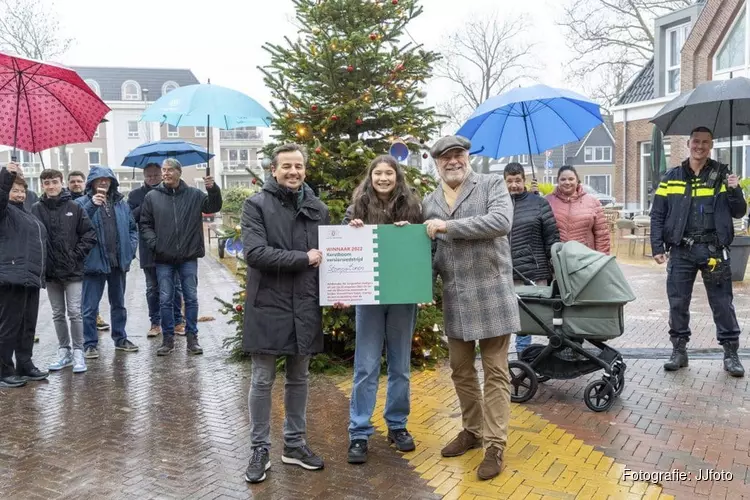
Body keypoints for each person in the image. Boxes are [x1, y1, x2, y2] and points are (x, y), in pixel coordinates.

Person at [421, 136, 519, 481]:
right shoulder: (428, 200)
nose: (453, 161)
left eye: (458, 155)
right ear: (436, 163)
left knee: (495, 373)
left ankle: (495, 445)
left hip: (492, 295)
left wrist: (448, 226)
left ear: (467, 157)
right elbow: (430, 253)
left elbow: (499, 223)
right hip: (456, 298)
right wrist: (419, 281)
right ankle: (472, 430)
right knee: (461, 371)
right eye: (445, 157)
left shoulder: (491, 184)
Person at [240, 143, 328, 483]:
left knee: (299, 378)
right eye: (286, 166)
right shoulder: (256, 205)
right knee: (262, 380)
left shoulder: (318, 209)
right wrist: (302, 259)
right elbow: (255, 253)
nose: (293, 172)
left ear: (305, 170)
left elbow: (330, 255)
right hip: (268, 304)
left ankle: (294, 444)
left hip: (304, 304)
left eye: (299, 166)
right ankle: (259, 449)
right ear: (273, 170)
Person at [339, 155, 423, 465]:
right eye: (378, 173)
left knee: (400, 366)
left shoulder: (412, 206)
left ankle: (397, 426)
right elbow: (344, 245)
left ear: (397, 176)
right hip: (369, 296)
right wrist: (352, 228)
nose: (384, 178)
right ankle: (359, 432)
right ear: (371, 177)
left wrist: (410, 230)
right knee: (366, 365)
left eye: (389, 173)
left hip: (402, 296)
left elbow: (423, 245)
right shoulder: (358, 206)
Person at [650, 126, 747, 377]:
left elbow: (739, 211)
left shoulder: (723, 175)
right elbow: (658, 214)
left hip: (714, 250)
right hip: (681, 250)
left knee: (722, 303)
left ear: (711, 145)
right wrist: (657, 246)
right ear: (688, 143)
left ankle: (731, 354)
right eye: (696, 141)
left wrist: (735, 189)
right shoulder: (671, 176)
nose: (700, 146)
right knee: (678, 302)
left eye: (705, 142)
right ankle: (679, 350)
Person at [139, 158, 222, 356]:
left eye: (169, 170)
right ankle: (168, 340)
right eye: (164, 170)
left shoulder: (194, 194)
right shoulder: (152, 196)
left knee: (191, 298)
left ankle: (192, 339)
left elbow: (213, 206)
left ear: (179, 172)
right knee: (166, 298)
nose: (165, 173)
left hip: (188, 256)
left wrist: (213, 189)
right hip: (163, 258)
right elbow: (145, 223)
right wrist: (155, 244)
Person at [32, 169, 97, 373]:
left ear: (62, 183)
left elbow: (89, 234)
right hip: (50, 271)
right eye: (46, 183)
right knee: (58, 313)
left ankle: (78, 351)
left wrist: (75, 255)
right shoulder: (36, 209)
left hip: (72, 270)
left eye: (54, 182)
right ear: (42, 185)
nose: (50, 186)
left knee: (75, 312)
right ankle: (64, 350)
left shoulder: (74, 207)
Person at [76, 166, 139, 358]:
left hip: (117, 263)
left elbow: (132, 228)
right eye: (99, 179)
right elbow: (76, 227)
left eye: (107, 179)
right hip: (93, 264)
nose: (103, 182)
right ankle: (89, 344)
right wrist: (92, 205)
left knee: (119, 304)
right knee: (89, 307)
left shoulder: (121, 204)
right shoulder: (81, 203)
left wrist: (130, 249)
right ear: (91, 183)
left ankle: (120, 339)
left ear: (112, 182)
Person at [0, 163, 49, 387]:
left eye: (22, 190)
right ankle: (3, 370)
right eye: (14, 190)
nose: (19, 194)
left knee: (28, 324)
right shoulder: (4, 211)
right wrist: (6, 176)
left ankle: (25, 364)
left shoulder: (26, 213)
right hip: (11, 276)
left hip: (30, 277)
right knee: (9, 326)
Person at [503, 162, 560, 354]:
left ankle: (552, 351)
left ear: (524, 180)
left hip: (534, 271)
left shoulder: (539, 203)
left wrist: (555, 267)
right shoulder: (499, 204)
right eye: (509, 181)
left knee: (538, 315)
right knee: (518, 317)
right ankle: (523, 354)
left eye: (517, 180)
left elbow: (552, 237)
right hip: (508, 271)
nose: (514, 185)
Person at [128, 162, 185, 338]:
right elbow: (130, 219)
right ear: (144, 176)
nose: (152, 178)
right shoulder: (136, 195)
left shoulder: (169, 192)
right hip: (148, 250)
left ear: (161, 175)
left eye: (155, 174)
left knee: (175, 286)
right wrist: (146, 201)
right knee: (152, 288)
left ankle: (177, 321)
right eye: (149, 175)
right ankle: (155, 322)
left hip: (170, 249)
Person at [546, 166, 610, 255]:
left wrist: (603, 259)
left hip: (585, 259)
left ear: (577, 181)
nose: (567, 182)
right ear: (558, 181)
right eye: (563, 179)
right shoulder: (547, 202)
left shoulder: (592, 202)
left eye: (571, 179)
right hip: (557, 259)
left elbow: (602, 235)